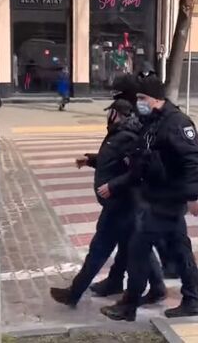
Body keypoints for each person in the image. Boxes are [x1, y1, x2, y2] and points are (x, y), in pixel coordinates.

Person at [100, 76, 198, 321]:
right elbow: (142, 160)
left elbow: (195, 161)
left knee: (138, 250)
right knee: (180, 251)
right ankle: (192, 300)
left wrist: (192, 197)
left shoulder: (177, 123)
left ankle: (129, 306)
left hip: (167, 200)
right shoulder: (153, 122)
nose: (139, 102)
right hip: (155, 198)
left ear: (156, 99)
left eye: (142, 98)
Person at [50, 99, 166, 307]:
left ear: (117, 114)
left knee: (99, 249)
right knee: (137, 246)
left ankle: (74, 293)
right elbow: (113, 161)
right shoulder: (119, 133)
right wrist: (91, 160)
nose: (107, 116)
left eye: (110, 112)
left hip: (121, 204)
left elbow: (136, 171)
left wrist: (113, 186)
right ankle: (157, 287)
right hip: (122, 204)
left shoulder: (128, 137)